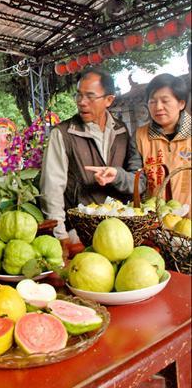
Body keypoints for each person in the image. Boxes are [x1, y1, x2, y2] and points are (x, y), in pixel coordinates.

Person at [40, 67, 143, 253]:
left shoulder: (121, 131)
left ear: (109, 100)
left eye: (90, 96)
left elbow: (134, 180)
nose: (82, 102)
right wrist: (60, 235)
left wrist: (117, 176)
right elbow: (52, 188)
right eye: (78, 95)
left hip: (118, 233)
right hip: (79, 234)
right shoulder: (63, 134)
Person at [86, 73, 191, 210]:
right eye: (152, 101)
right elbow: (139, 181)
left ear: (181, 103)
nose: (158, 107)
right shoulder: (141, 136)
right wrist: (117, 176)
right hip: (154, 221)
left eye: (165, 101)